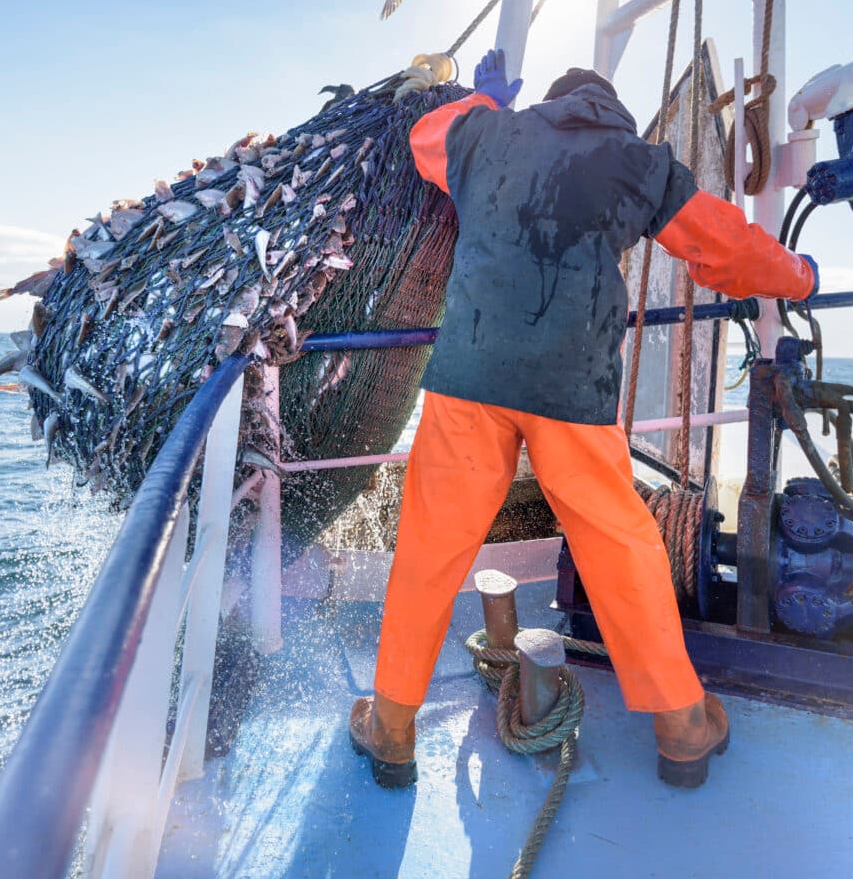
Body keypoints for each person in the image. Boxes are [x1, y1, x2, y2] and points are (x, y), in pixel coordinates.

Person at [349, 49, 819, 790]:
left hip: (470, 379)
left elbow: (424, 137)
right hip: (574, 389)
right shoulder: (638, 162)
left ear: (548, 106)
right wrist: (800, 275)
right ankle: (681, 726)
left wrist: (485, 102)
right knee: (620, 546)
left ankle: (394, 727)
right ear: (614, 116)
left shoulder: (485, 136)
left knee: (431, 550)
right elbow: (723, 248)